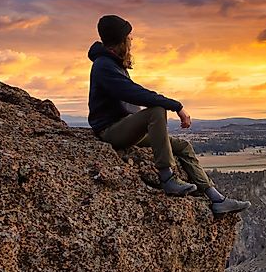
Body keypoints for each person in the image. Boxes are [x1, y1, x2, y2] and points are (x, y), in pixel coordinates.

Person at [87, 14, 249, 214]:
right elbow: (133, 93)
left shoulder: (113, 64)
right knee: (156, 110)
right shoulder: (104, 66)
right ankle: (167, 178)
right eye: (129, 37)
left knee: (183, 146)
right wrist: (176, 105)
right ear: (120, 40)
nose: (132, 40)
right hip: (111, 131)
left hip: (126, 128)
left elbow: (132, 93)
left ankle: (216, 198)